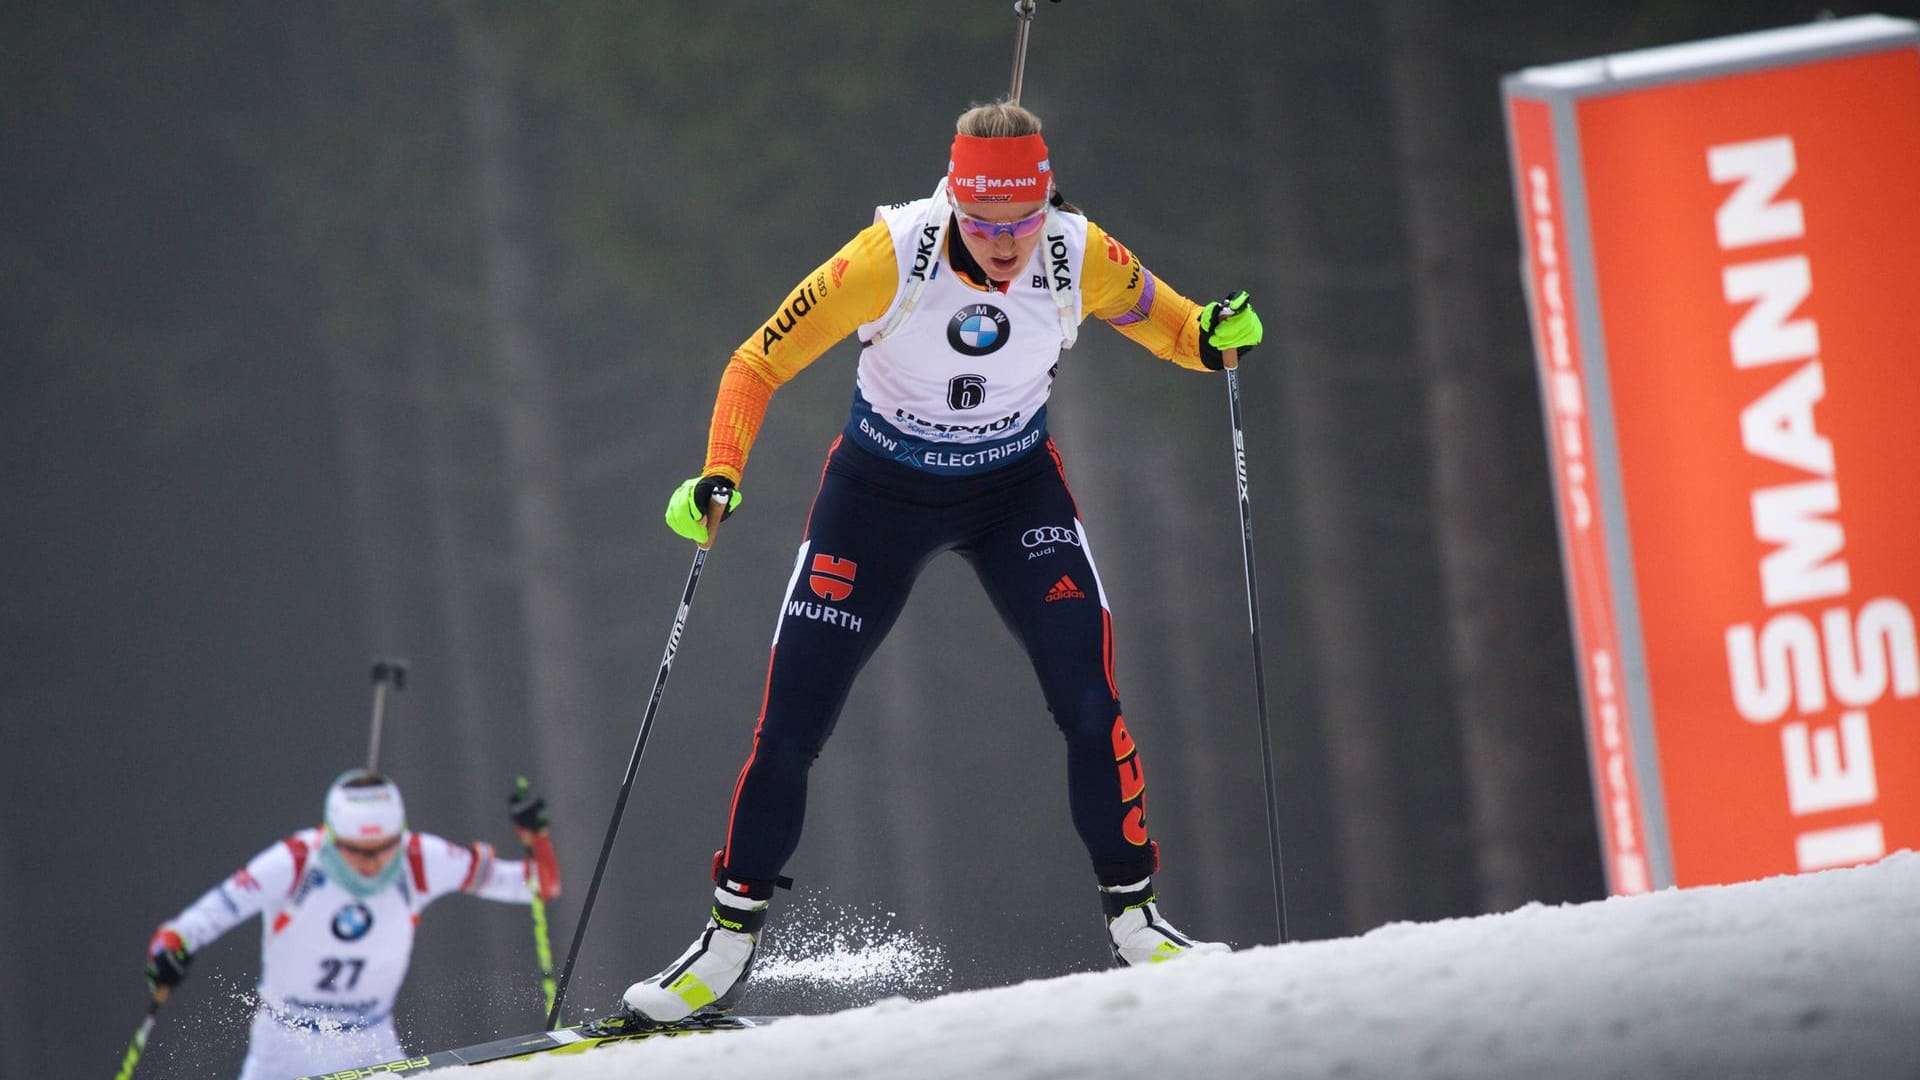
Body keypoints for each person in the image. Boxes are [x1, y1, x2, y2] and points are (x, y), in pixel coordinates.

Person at [622, 99, 1261, 1023]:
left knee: (1088, 697)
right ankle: (723, 948)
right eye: (986, 224)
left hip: (1014, 494)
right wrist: (717, 473)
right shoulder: (892, 256)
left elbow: (1180, 331)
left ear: (1047, 203)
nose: (1006, 246)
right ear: (955, 201)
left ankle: (1138, 924)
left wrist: (1217, 335)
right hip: (877, 496)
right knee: (793, 722)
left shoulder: (1076, 252)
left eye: (1023, 222)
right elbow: (756, 363)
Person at [142, 771, 562, 1079]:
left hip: (369, 1042)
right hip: (284, 1043)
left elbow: (539, 886)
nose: (374, 863)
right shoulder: (295, 861)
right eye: (359, 851)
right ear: (332, 837)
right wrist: (170, 952)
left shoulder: (419, 859)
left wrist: (536, 837)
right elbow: (198, 922)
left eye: (384, 848)